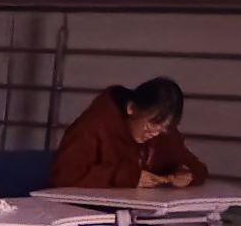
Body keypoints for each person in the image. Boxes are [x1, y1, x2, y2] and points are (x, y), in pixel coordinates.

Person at [50, 77, 207, 190]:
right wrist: (128, 177)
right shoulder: (95, 124)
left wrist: (188, 174)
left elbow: (198, 168)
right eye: (151, 124)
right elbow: (63, 175)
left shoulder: (162, 134)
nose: (154, 133)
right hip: (91, 214)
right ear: (131, 108)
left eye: (162, 129)